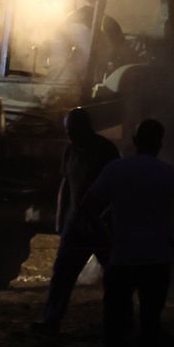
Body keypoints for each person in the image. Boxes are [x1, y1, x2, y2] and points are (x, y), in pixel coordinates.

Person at [75, 117, 174, 347]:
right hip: (157, 258)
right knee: (150, 319)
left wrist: (104, 236)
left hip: (123, 257)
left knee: (114, 319)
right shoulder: (166, 172)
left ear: (134, 142)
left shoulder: (117, 170)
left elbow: (88, 206)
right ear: (159, 143)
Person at [33, 107, 119, 335]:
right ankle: (51, 321)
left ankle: (117, 323)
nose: (69, 134)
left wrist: (107, 218)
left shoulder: (105, 150)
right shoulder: (71, 150)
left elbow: (115, 186)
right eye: (67, 130)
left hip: (100, 225)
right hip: (76, 223)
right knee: (62, 274)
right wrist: (62, 219)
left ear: (84, 127)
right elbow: (66, 185)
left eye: (72, 129)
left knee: (115, 276)